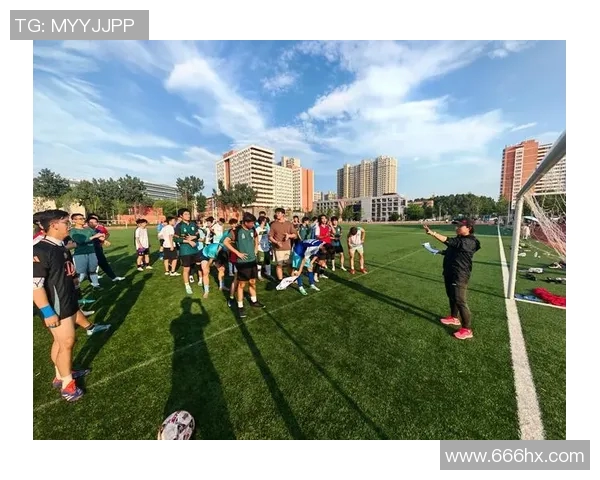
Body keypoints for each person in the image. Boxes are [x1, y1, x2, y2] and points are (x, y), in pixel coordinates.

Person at [33, 210, 88, 402]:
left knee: (60, 341)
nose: (69, 226)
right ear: (54, 225)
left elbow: (66, 272)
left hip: (67, 300)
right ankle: (67, 385)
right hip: (55, 305)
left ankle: (61, 374)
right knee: (67, 342)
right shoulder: (39, 249)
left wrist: (75, 285)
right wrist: (48, 312)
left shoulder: (61, 246)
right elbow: (35, 286)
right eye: (66, 222)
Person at [423, 219, 481, 340]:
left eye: (460, 226)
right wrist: (438, 251)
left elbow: (449, 241)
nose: (457, 228)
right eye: (456, 226)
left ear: (469, 228)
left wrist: (432, 233)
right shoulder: (460, 240)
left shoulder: (470, 241)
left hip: (459, 274)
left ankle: (467, 329)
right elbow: (452, 249)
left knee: (460, 300)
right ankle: (454, 318)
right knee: (452, 296)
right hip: (450, 272)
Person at [223, 212, 265, 318]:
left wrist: (256, 248)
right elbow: (225, 242)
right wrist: (237, 253)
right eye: (251, 223)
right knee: (241, 284)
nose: (253, 225)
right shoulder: (236, 231)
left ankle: (254, 301)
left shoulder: (252, 229)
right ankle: (240, 306)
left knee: (252, 282)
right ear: (245, 222)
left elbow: (256, 238)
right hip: (242, 262)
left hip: (252, 260)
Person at [69, 212, 104, 288]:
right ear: (74, 220)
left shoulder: (88, 229)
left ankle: (96, 284)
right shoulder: (73, 231)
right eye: (80, 219)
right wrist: (94, 237)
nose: (83, 220)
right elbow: (80, 241)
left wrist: (102, 237)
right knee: (81, 273)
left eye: (83, 218)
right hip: (80, 254)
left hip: (92, 252)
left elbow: (97, 235)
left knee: (93, 270)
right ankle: (75, 287)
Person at [87, 214, 125, 282]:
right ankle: (90, 281)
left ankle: (113, 277)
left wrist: (104, 240)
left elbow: (102, 236)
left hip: (98, 249)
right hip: (89, 251)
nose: (94, 223)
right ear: (88, 223)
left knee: (104, 264)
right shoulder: (86, 231)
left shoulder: (96, 230)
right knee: (90, 267)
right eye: (91, 222)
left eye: (95, 222)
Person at [174, 208, 203, 295]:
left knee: (199, 265)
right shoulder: (179, 226)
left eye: (189, 214)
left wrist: (194, 237)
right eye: (186, 214)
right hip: (185, 251)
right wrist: (188, 241)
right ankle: (187, 286)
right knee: (186, 268)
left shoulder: (193, 224)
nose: (188, 216)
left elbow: (198, 235)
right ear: (181, 216)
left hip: (195, 250)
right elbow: (175, 239)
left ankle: (201, 279)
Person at [268, 208, 297, 281]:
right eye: (276, 213)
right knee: (279, 265)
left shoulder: (289, 224)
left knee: (289, 265)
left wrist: (289, 236)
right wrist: (276, 242)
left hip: (288, 248)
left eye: (278, 213)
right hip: (278, 249)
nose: (277, 214)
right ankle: (280, 280)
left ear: (283, 214)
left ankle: (292, 279)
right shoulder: (273, 225)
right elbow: (270, 237)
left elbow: (295, 235)